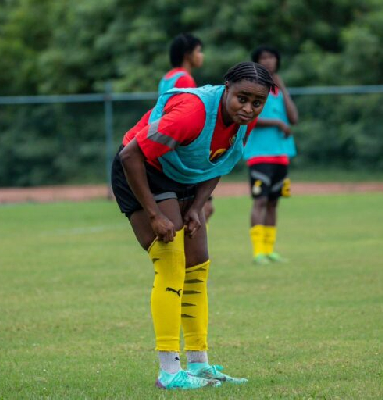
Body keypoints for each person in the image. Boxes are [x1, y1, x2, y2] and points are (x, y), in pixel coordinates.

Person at [111, 62, 275, 390]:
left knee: (198, 265)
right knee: (172, 265)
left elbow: (222, 159)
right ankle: (169, 372)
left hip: (183, 174)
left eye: (257, 102)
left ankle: (198, 366)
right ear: (226, 88)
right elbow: (131, 155)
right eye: (242, 98)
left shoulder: (247, 119)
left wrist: (198, 207)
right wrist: (155, 214)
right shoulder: (193, 113)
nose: (248, 108)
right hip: (142, 171)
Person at [244, 45, 299, 265]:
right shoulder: (253, 88)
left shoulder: (278, 87)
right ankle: (258, 252)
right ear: (256, 62)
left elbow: (293, 118)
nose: (268, 61)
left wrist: (282, 87)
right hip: (259, 154)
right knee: (260, 200)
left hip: (281, 154)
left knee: (274, 202)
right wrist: (277, 122)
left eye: (272, 57)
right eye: (263, 58)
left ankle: (270, 250)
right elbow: (247, 117)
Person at [158, 33, 215, 220]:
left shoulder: (167, 77)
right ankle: (195, 248)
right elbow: (189, 117)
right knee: (199, 208)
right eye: (199, 51)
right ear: (187, 55)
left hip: (164, 142)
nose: (202, 55)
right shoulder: (185, 79)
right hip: (182, 146)